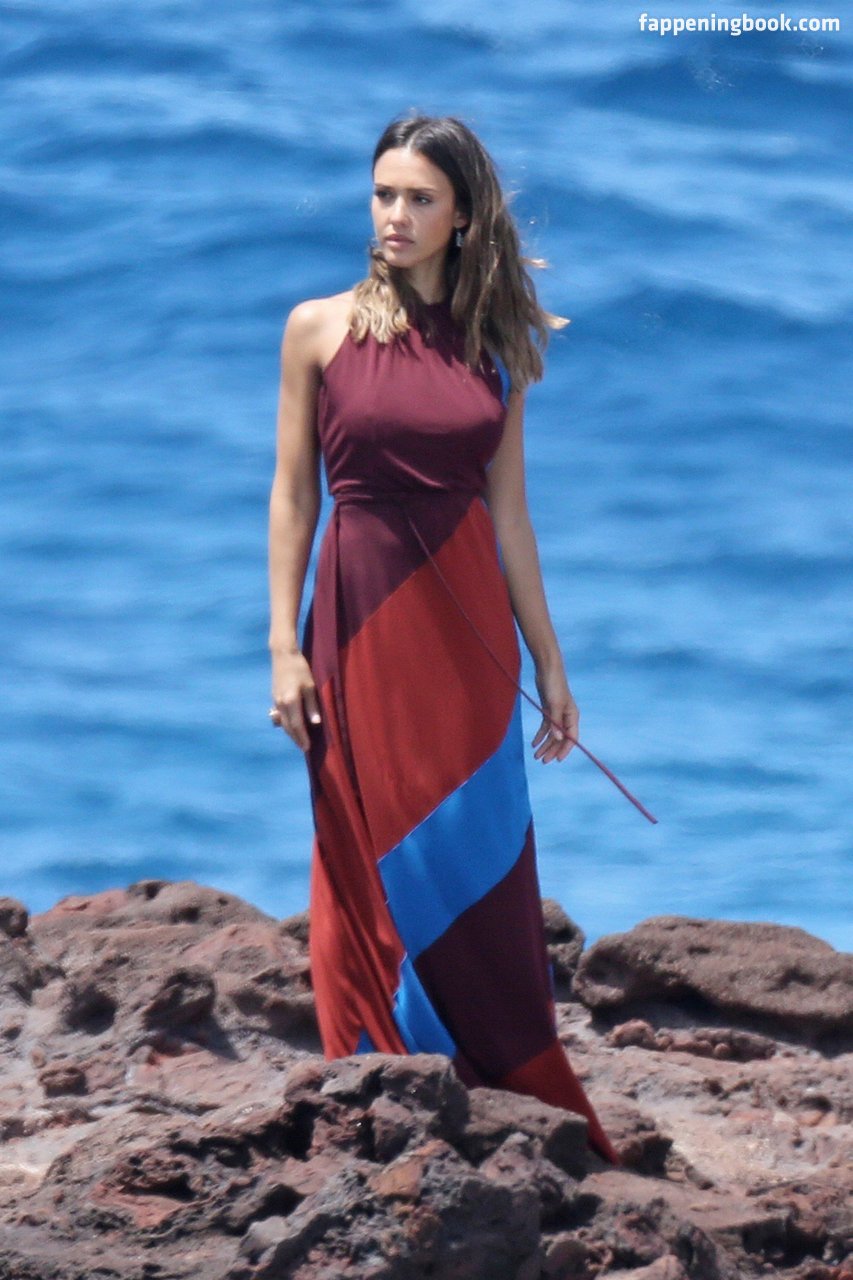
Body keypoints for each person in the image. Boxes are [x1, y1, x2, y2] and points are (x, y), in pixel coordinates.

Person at [267, 114, 621, 1166]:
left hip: (467, 638)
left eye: (419, 198)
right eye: (383, 193)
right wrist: (282, 647)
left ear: (462, 215)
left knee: (478, 850)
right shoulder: (317, 329)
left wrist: (549, 660)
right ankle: (371, 1078)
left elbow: (510, 518)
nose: (395, 215)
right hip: (358, 616)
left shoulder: (496, 349)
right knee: (358, 844)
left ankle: (499, 1078)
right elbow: (293, 497)